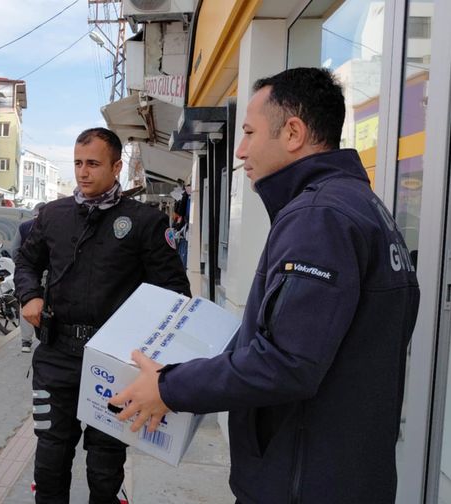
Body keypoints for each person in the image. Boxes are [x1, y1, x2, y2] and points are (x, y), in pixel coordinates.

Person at [110, 67, 420, 504]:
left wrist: (168, 387)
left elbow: (286, 362)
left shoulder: (321, 217)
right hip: (345, 473)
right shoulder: (366, 209)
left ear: (292, 132)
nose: (239, 151)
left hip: (303, 481)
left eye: (250, 132)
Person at [14, 127, 190, 503]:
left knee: (105, 470)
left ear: (116, 167)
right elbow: (26, 261)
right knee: (50, 463)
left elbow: (175, 293)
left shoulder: (144, 222)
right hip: (57, 356)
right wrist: (29, 295)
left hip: (113, 365)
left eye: (93, 163)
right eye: (78, 163)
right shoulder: (53, 215)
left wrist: (153, 356)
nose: (83, 172)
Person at [10, 201, 46, 353]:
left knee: (26, 302)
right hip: (48, 274)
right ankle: (45, 337)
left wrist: (23, 267)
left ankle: (26, 341)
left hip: (28, 275)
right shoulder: (55, 226)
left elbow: (14, 250)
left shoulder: (24, 227)